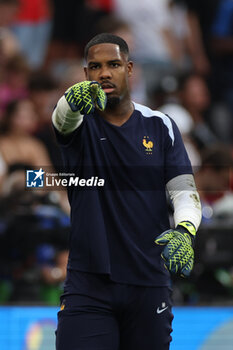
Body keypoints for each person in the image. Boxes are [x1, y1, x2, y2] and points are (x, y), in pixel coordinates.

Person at [52, 33, 202, 350]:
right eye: (94, 66)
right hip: (89, 284)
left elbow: (184, 192)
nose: (104, 73)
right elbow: (61, 120)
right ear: (85, 75)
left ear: (130, 69)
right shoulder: (80, 124)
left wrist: (186, 231)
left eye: (113, 64)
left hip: (148, 281)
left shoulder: (161, 125)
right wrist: (68, 100)